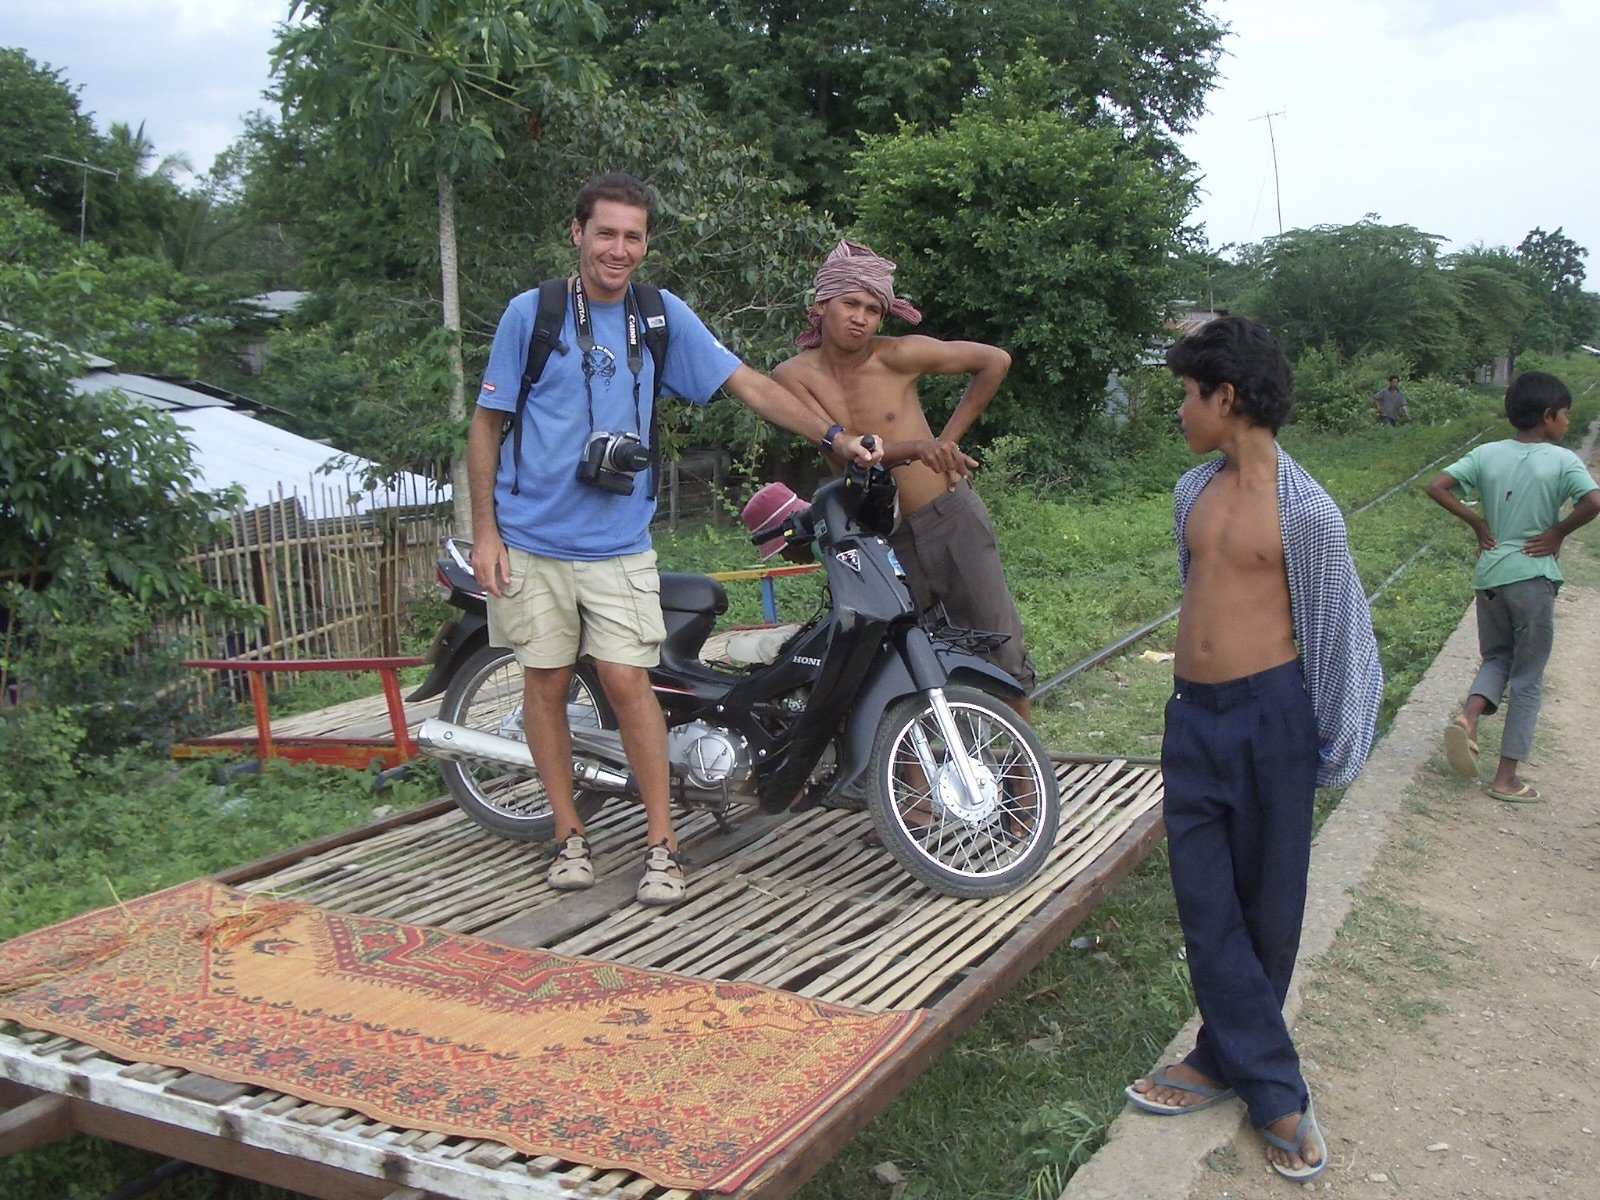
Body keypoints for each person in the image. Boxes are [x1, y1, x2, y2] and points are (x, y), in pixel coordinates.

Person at [467, 173, 879, 907]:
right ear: (577, 234)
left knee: (630, 682)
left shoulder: (657, 318)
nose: (618, 249)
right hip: (530, 540)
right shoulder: (531, 316)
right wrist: (485, 532)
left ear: (645, 243)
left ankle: (663, 846)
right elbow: (486, 426)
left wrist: (833, 435)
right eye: (606, 233)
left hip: (619, 542)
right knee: (547, 684)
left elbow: (747, 383)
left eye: (633, 236)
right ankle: (568, 837)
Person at [1124, 316, 1382, 1182]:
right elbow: (1197, 590)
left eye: (1187, 396)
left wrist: (1335, 745)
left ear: (1224, 397)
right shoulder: (1192, 492)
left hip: (1273, 721)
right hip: (1193, 718)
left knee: (1268, 907)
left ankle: (1241, 1070)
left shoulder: (1307, 512)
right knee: (1204, 899)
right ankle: (1265, 1080)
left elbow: (1339, 634)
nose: (1180, 413)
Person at [771, 239, 1036, 718]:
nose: (861, 318)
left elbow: (994, 361)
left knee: (1002, 652)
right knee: (896, 664)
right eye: (850, 303)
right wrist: (917, 448)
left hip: (948, 516)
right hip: (879, 538)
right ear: (820, 307)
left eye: (873, 309)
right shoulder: (793, 376)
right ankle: (910, 788)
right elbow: (846, 447)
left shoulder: (896, 355)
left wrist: (946, 443)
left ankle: (1027, 780)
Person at [1426, 370, 1599, 802]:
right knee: (1528, 676)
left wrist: (1478, 522)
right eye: (1564, 415)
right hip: (1533, 579)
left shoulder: (1487, 454)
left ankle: (1469, 715)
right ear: (1547, 417)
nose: (1566, 423)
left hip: (1490, 575)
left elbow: (1437, 486)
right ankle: (1505, 779)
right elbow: (1594, 501)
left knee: (1497, 656)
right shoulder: (1562, 460)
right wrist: (1558, 533)